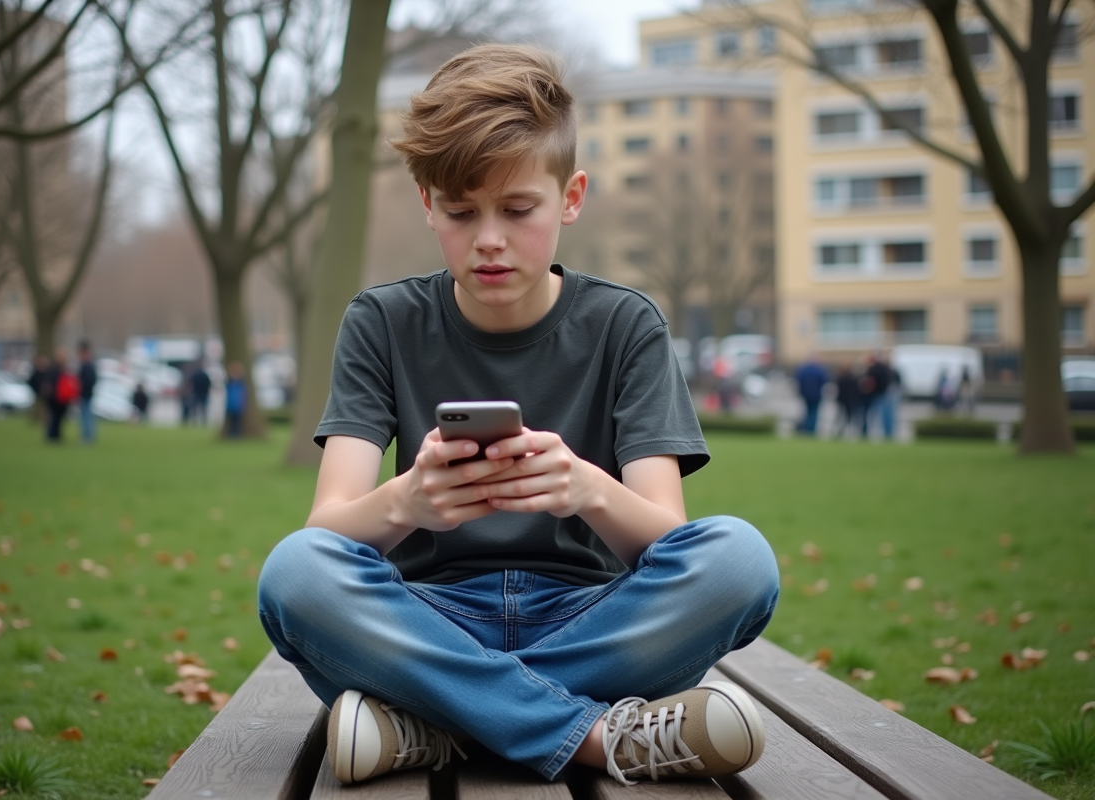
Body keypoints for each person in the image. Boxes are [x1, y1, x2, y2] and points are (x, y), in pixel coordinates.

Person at [257, 44, 778, 791]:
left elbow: (671, 542)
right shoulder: (381, 321)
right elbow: (324, 535)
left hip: (591, 619)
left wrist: (587, 490)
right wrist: (406, 501)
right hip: (427, 619)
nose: (489, 239)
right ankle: (599, 736)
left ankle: (432, 723)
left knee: (740, 558)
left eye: (518, 209)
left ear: (571, 197)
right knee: (293, 573)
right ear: (427, 201)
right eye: (462, 212)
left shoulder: (627, 326)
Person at [793, 353, 830, 435]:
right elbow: (824, 381)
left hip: (805, 394)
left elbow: (798, 380)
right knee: (814, 413)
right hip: (816, 394)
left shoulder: (803, 370)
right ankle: (811, 429)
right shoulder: (819, 370)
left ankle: (807, 428)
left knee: (807, 412)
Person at [833, 363, 861, 438]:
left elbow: (838, 389)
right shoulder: (854, 378)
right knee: (849, 417)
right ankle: (849, 432)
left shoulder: (841, 378)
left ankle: (840, 431)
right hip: (851, 400)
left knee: (840, 417)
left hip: (842, 400)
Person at [77, 342, 98, 444]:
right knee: (86, 416)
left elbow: (91, 380)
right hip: (85, 394)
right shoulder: (87, 365)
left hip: (86, 394)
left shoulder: (88, 365)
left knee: (86, 416)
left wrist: (82, 387)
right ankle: (88, 436)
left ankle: (88, 437)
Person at [223, 361, 246, 438]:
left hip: (238, 405)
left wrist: (242, 404)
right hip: (230, 405)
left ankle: (237, 435)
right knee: (231, 421)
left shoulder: (241, 383)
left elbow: (244, 395)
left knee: (237, 422)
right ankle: (231, 434)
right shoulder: (229, 382)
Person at [189, 360, 212, 427]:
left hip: (198, 393)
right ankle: (203, 422)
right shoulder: (205, 375)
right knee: (202, 409)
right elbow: (209, 384)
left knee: (196, 409)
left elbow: (191, 383)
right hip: (203, 393)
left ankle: (195, 422)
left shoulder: (196, 374)